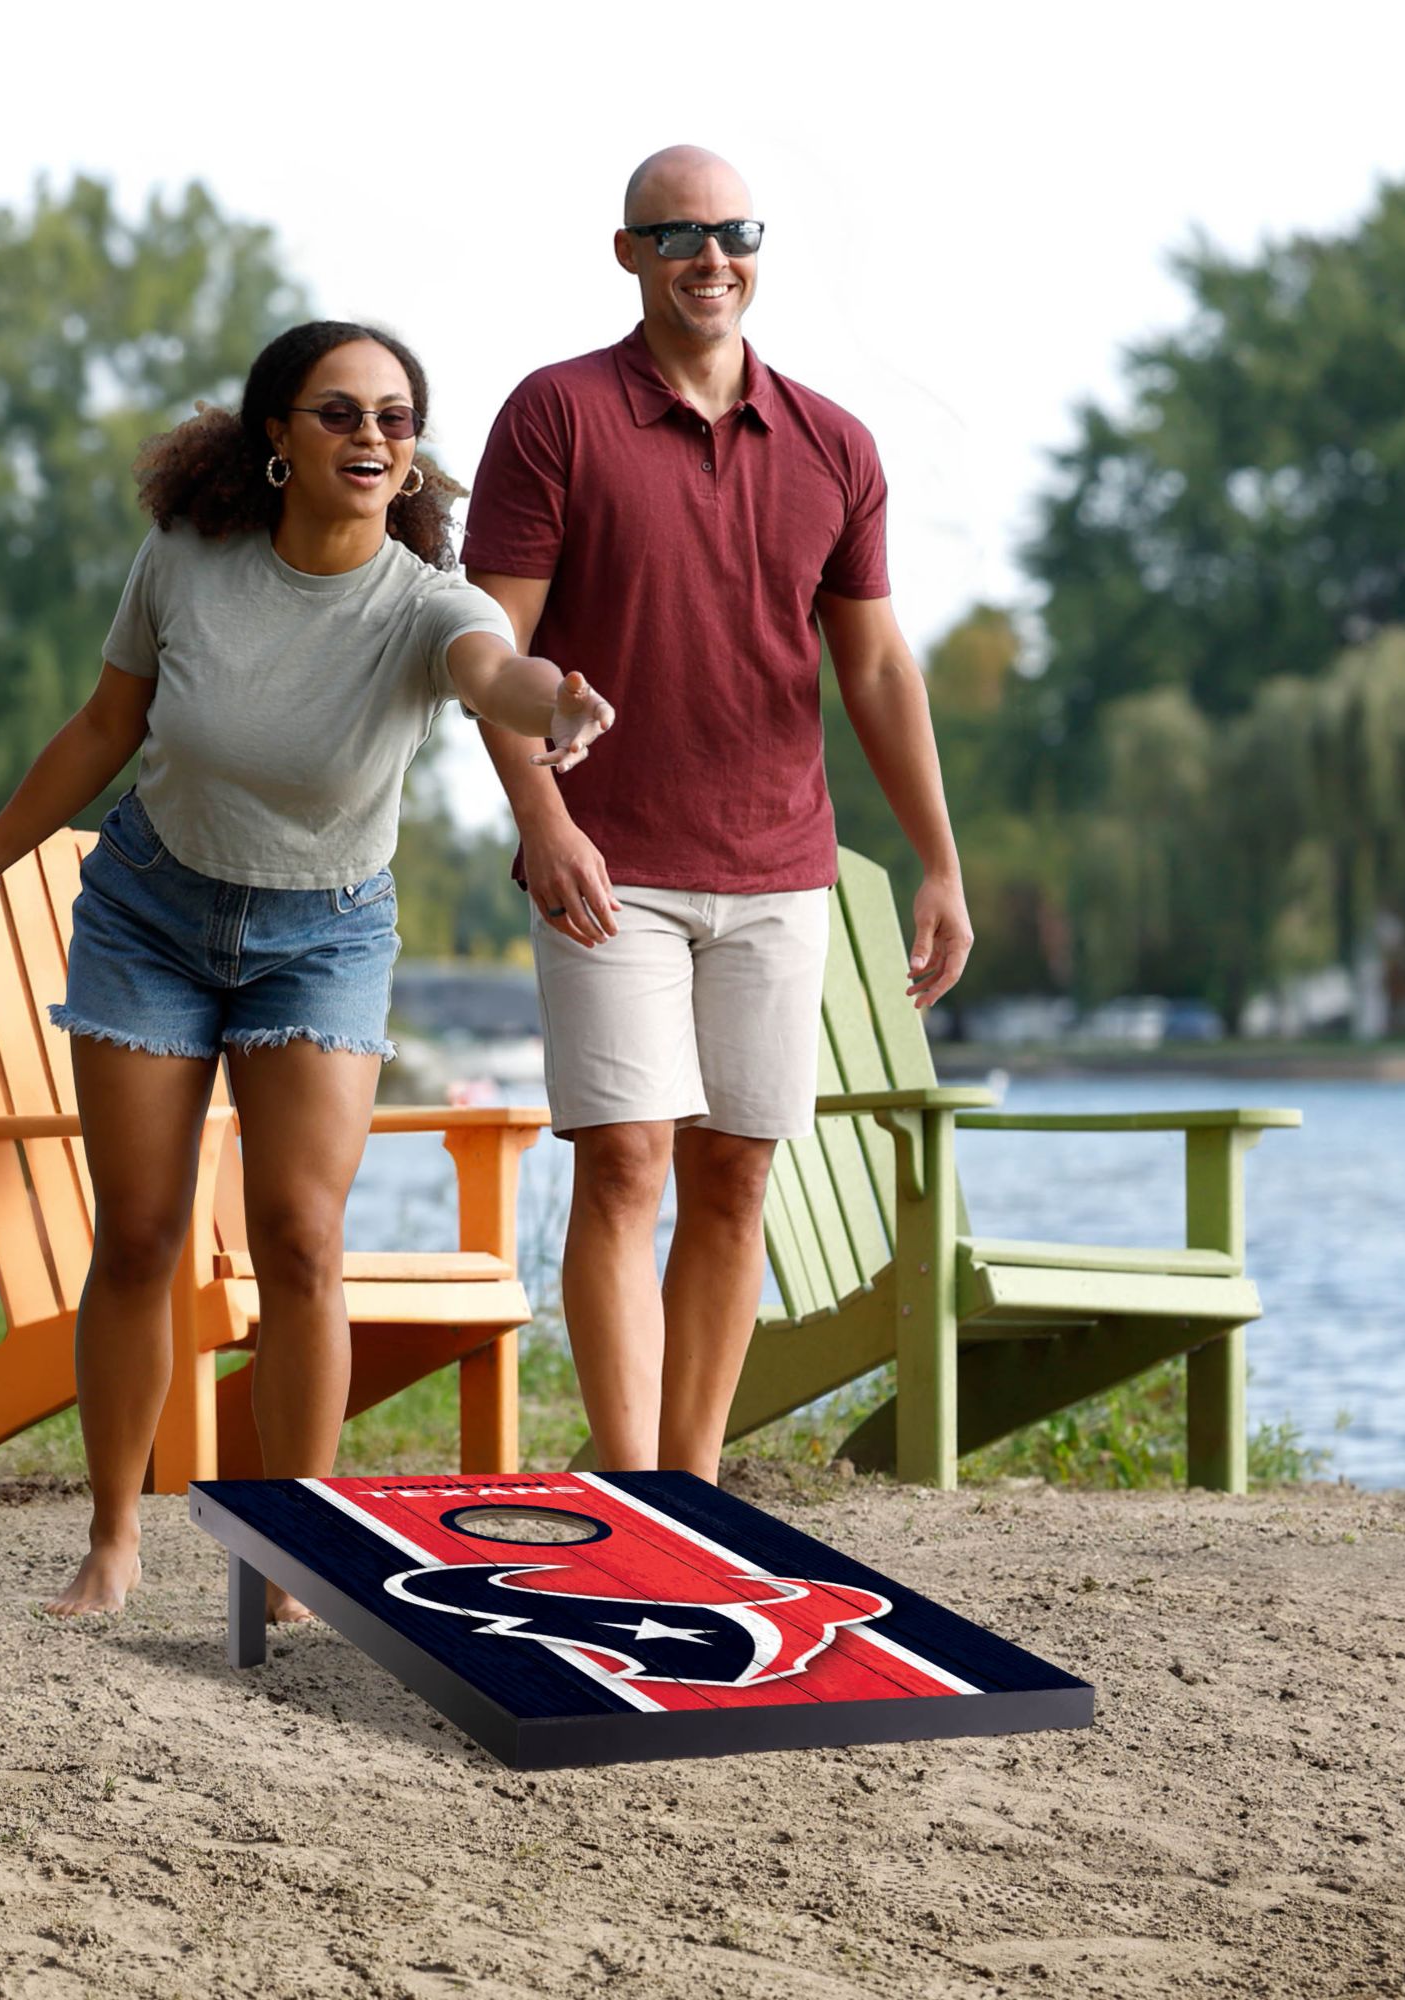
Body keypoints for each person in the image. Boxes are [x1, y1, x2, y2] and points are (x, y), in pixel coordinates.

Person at [0, 320, 614, 1619]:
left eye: (395, 420)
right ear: (278, 440)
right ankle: (116, 1540)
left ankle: (297, 1553)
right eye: (340, 413)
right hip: (150, 917)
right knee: (139, 1233)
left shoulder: (427, 603)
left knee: (301, 1238)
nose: (370, 438)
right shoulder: (187, 561)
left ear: (412, 459)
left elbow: (493, 675)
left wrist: (554, 707)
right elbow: (105, 726)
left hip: (325, 936)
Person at [461, 146, 971, 1481]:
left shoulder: (833, 443)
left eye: (732, 231)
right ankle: (631, 1488)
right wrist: (542, 821)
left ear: (759, 247)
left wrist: (937, 862)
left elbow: (876, 666)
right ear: (626, 252)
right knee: (627, 1162)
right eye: (676, 233)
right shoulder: (554, 416)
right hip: (607, 866)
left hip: (778, 867)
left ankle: (689, 1486)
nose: (709, 256)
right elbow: (483, 652)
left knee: (735, 1176)